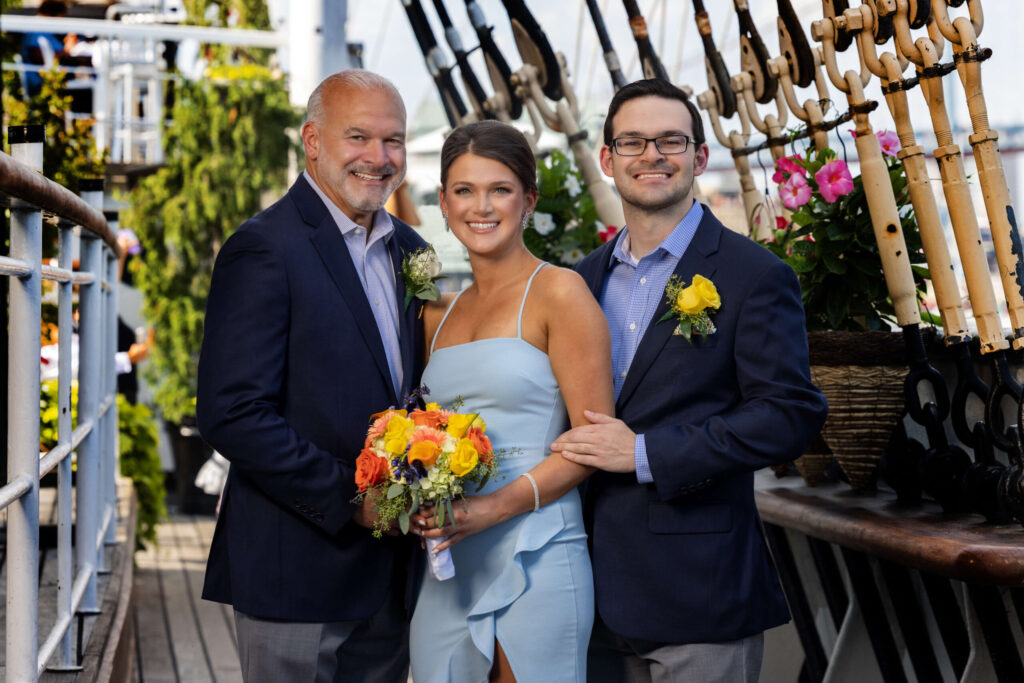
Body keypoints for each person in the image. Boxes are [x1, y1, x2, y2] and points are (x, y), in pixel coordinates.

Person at [551, 78, 828, 682]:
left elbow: (789, 415)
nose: (652, 155)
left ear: (700, 157)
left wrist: (646, 452)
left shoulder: (755, 275)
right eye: (632, 142)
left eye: (670, 140)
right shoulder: (575, 282)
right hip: (580, 589)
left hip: (698, 589)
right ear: (607, 160)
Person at [196, 70, 427, 682]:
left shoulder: (410, 249)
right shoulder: (263, 247)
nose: (378, 159)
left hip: (392, 578)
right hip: (296, 569)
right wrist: (352, 501)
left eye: (394, 141)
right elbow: (231, 412)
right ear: (313, 141)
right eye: (359, 137)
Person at [409, 120, 614, 682]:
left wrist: (492, 509)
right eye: (464, 190)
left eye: (499, 189)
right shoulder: (437, 313)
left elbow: (594, 441)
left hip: (538, 547)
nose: (482, 206)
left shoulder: (559, 292)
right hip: (450, 560)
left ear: (528, 200)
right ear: (445, 205)